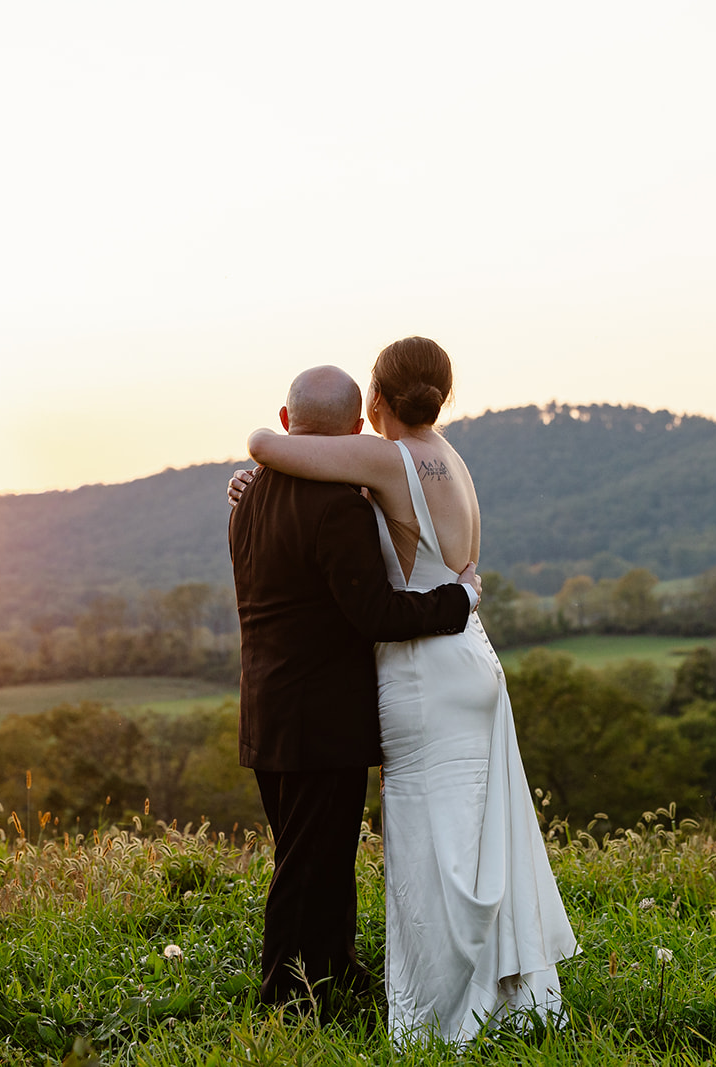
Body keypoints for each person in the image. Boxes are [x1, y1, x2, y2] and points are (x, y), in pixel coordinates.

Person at [231, 338, 577, 1041]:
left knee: (431, 848)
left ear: (378, 405)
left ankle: (442, 1012)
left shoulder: (381, 464)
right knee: (474, 840)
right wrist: (464, 600)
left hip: (423, 668)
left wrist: (257, 461)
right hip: (469, 662)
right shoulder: (452, 459)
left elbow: (269, 442)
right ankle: (500, 991)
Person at [227, 364, 483, 1010]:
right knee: (309, 869)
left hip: (265, 714)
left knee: (312, 859)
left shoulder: (247, 499)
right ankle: (284, 1003)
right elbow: (375, 616)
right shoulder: (339, 508)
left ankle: (336, 979)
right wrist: (458, 601)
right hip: (323, 721)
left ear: (288, 423)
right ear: (351, 432)